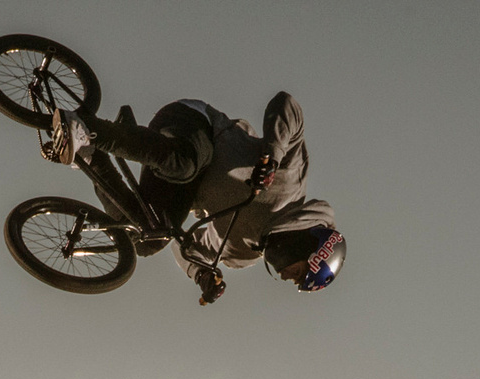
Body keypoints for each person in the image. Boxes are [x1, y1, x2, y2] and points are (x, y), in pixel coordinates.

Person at [45, 95, 342, 305]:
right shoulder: (289, 182)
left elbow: (188, 249)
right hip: (194, 125)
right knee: (184, 163)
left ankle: (91, 157)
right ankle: (89, 130)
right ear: (308, 246)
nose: (287, 277)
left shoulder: (244, 252)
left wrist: (201, 275)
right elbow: (288, 106)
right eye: (299, 272)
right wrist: (273, 155)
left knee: (149, 238)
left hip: (180, 183)